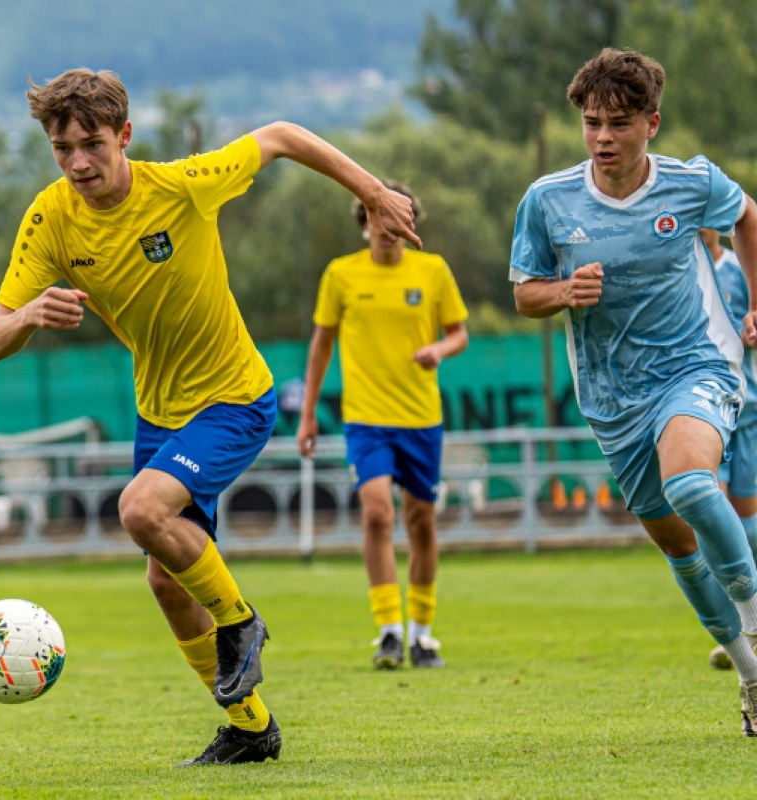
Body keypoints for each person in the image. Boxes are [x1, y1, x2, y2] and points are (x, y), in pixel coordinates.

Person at [0, 69, 420, 764]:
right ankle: (251, 728)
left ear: (125, 136)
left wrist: (372, 192)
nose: (78, 163)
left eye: (92, 144)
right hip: (161, 413)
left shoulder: (184, 185)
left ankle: (241, 623)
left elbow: (280, 135)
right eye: (62, 148)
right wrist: (33, 313)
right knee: (164, 578)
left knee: (139, 511)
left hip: (235, 398)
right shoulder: (50, 217)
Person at [509, 48, 757, 736]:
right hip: (611, 404)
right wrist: (563, 291)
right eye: (591, 123)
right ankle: (750, 675)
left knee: (691, 483)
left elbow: (748, 217)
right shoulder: (548, 200)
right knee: (676, 544)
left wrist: (755, 305)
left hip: (692, 369)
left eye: (618, 123)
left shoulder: (691, 183)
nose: (603, 138)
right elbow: (525, 293)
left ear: (652, 123)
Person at [297, 180, 468, 670]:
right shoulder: (341, 275)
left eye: (401, 218)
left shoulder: (432, 271)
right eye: (380, 216)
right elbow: (321, 345)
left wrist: (439, 348)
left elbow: (459, 334)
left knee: (421, 521)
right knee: (376, 514)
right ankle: (389, 632)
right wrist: (308, 414)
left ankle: (422, 634)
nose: (390, 227)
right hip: (367, 420)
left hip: (420, 419)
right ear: (366, 221)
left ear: (411, 225)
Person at [700, 229, 757, 670]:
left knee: (747, 520)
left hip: (748, 405)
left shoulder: (740, 269)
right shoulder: (678, 271)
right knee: (709, 508)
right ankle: (736, 631)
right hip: (700, 408)